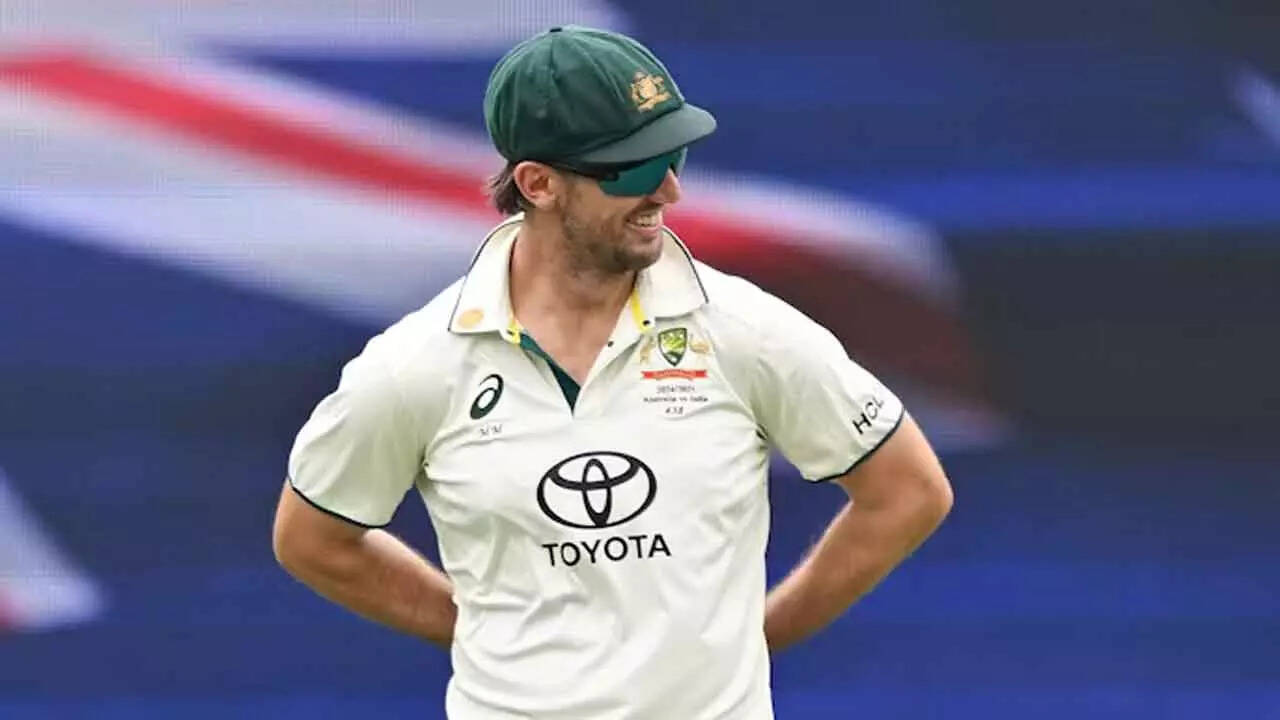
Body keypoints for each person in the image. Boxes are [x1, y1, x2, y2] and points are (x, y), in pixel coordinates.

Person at [272, 25, 953, 720]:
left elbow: (907, 491)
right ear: (538, 184)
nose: (669, 190)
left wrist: (757, 638)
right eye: (631, 169)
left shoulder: (746, 330)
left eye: (672, 156)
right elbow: (312, 539)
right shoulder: (416, 364)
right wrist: (481, 635)